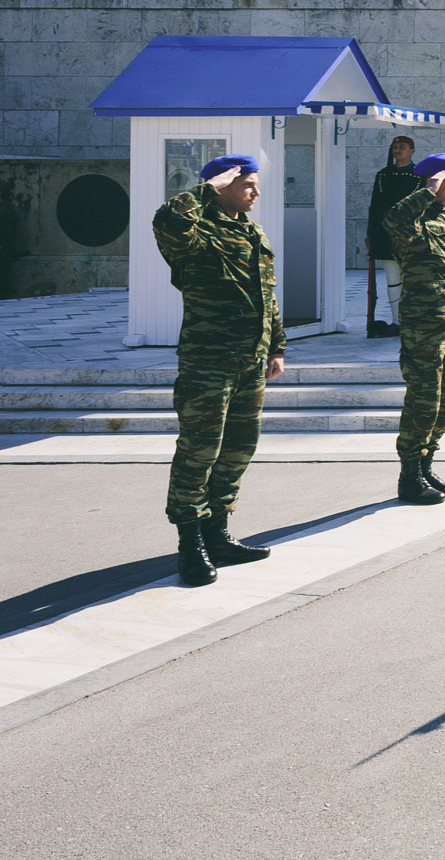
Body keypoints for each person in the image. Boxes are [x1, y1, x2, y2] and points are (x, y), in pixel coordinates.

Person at [152, 155, 287, 586]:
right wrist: (203, 189)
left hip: (250, 359)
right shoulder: (193, 230)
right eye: (247, 184)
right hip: (208, 361)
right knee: (199, 451)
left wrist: (276, 345)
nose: (256, 192)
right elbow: (165, 219)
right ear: (223, 185)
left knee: (239, 447)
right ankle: (190, 546)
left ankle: (219, 534)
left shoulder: (253, 231)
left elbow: (267, 294)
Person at [383, 152, 445, 506]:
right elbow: (392, 219)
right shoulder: (411, 218)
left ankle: (426, 465)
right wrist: (427, 190)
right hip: (423, 323)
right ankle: (409, 475)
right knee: (423, 400)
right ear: (435, 182)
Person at [365, 134, 421, 339]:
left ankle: (412, 321)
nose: (398, 151)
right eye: (395, 148)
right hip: (385, 235)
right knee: (393, 280)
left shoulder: (419, 176)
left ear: (412, 151)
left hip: (410, 235)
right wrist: (370, 233)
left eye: (403, 147)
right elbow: (375, 206)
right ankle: (397, 322)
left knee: (412, 280)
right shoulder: (383, 175)